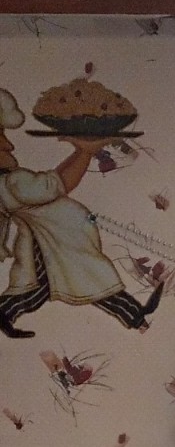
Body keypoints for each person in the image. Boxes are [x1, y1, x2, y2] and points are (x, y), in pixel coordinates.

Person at [0, 89, 162, 338]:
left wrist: (81, 150)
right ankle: (135, 315)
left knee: (64, 281)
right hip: (52, 244)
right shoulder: (13, 182)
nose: (9, 145)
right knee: (86, 277)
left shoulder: (9, 180)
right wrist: (86, 151)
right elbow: (59, 184)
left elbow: (55, 180)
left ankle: (135, 314)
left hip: (57, 243)